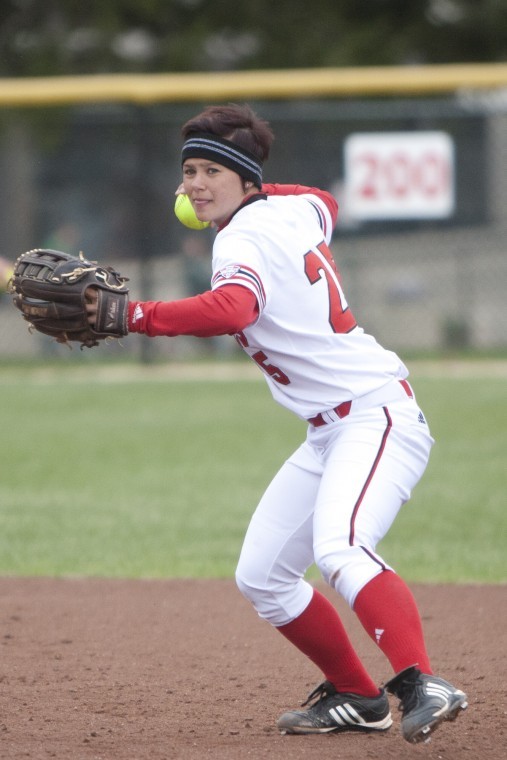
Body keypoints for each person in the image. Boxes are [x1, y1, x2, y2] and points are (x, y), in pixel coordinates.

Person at [87, 103, 467, 744]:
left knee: (340, 547)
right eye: (188, 172)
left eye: (210, 171)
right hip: (331, 428)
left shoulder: (240, 237)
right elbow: (324, 199)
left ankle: (422, 682)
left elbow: (234, 306)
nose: (194, 185)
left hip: (375, 415)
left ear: (243, 180)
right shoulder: (291, 210)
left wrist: (134, 316)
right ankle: (356, 695)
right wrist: (251, 179)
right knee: (263, 575)